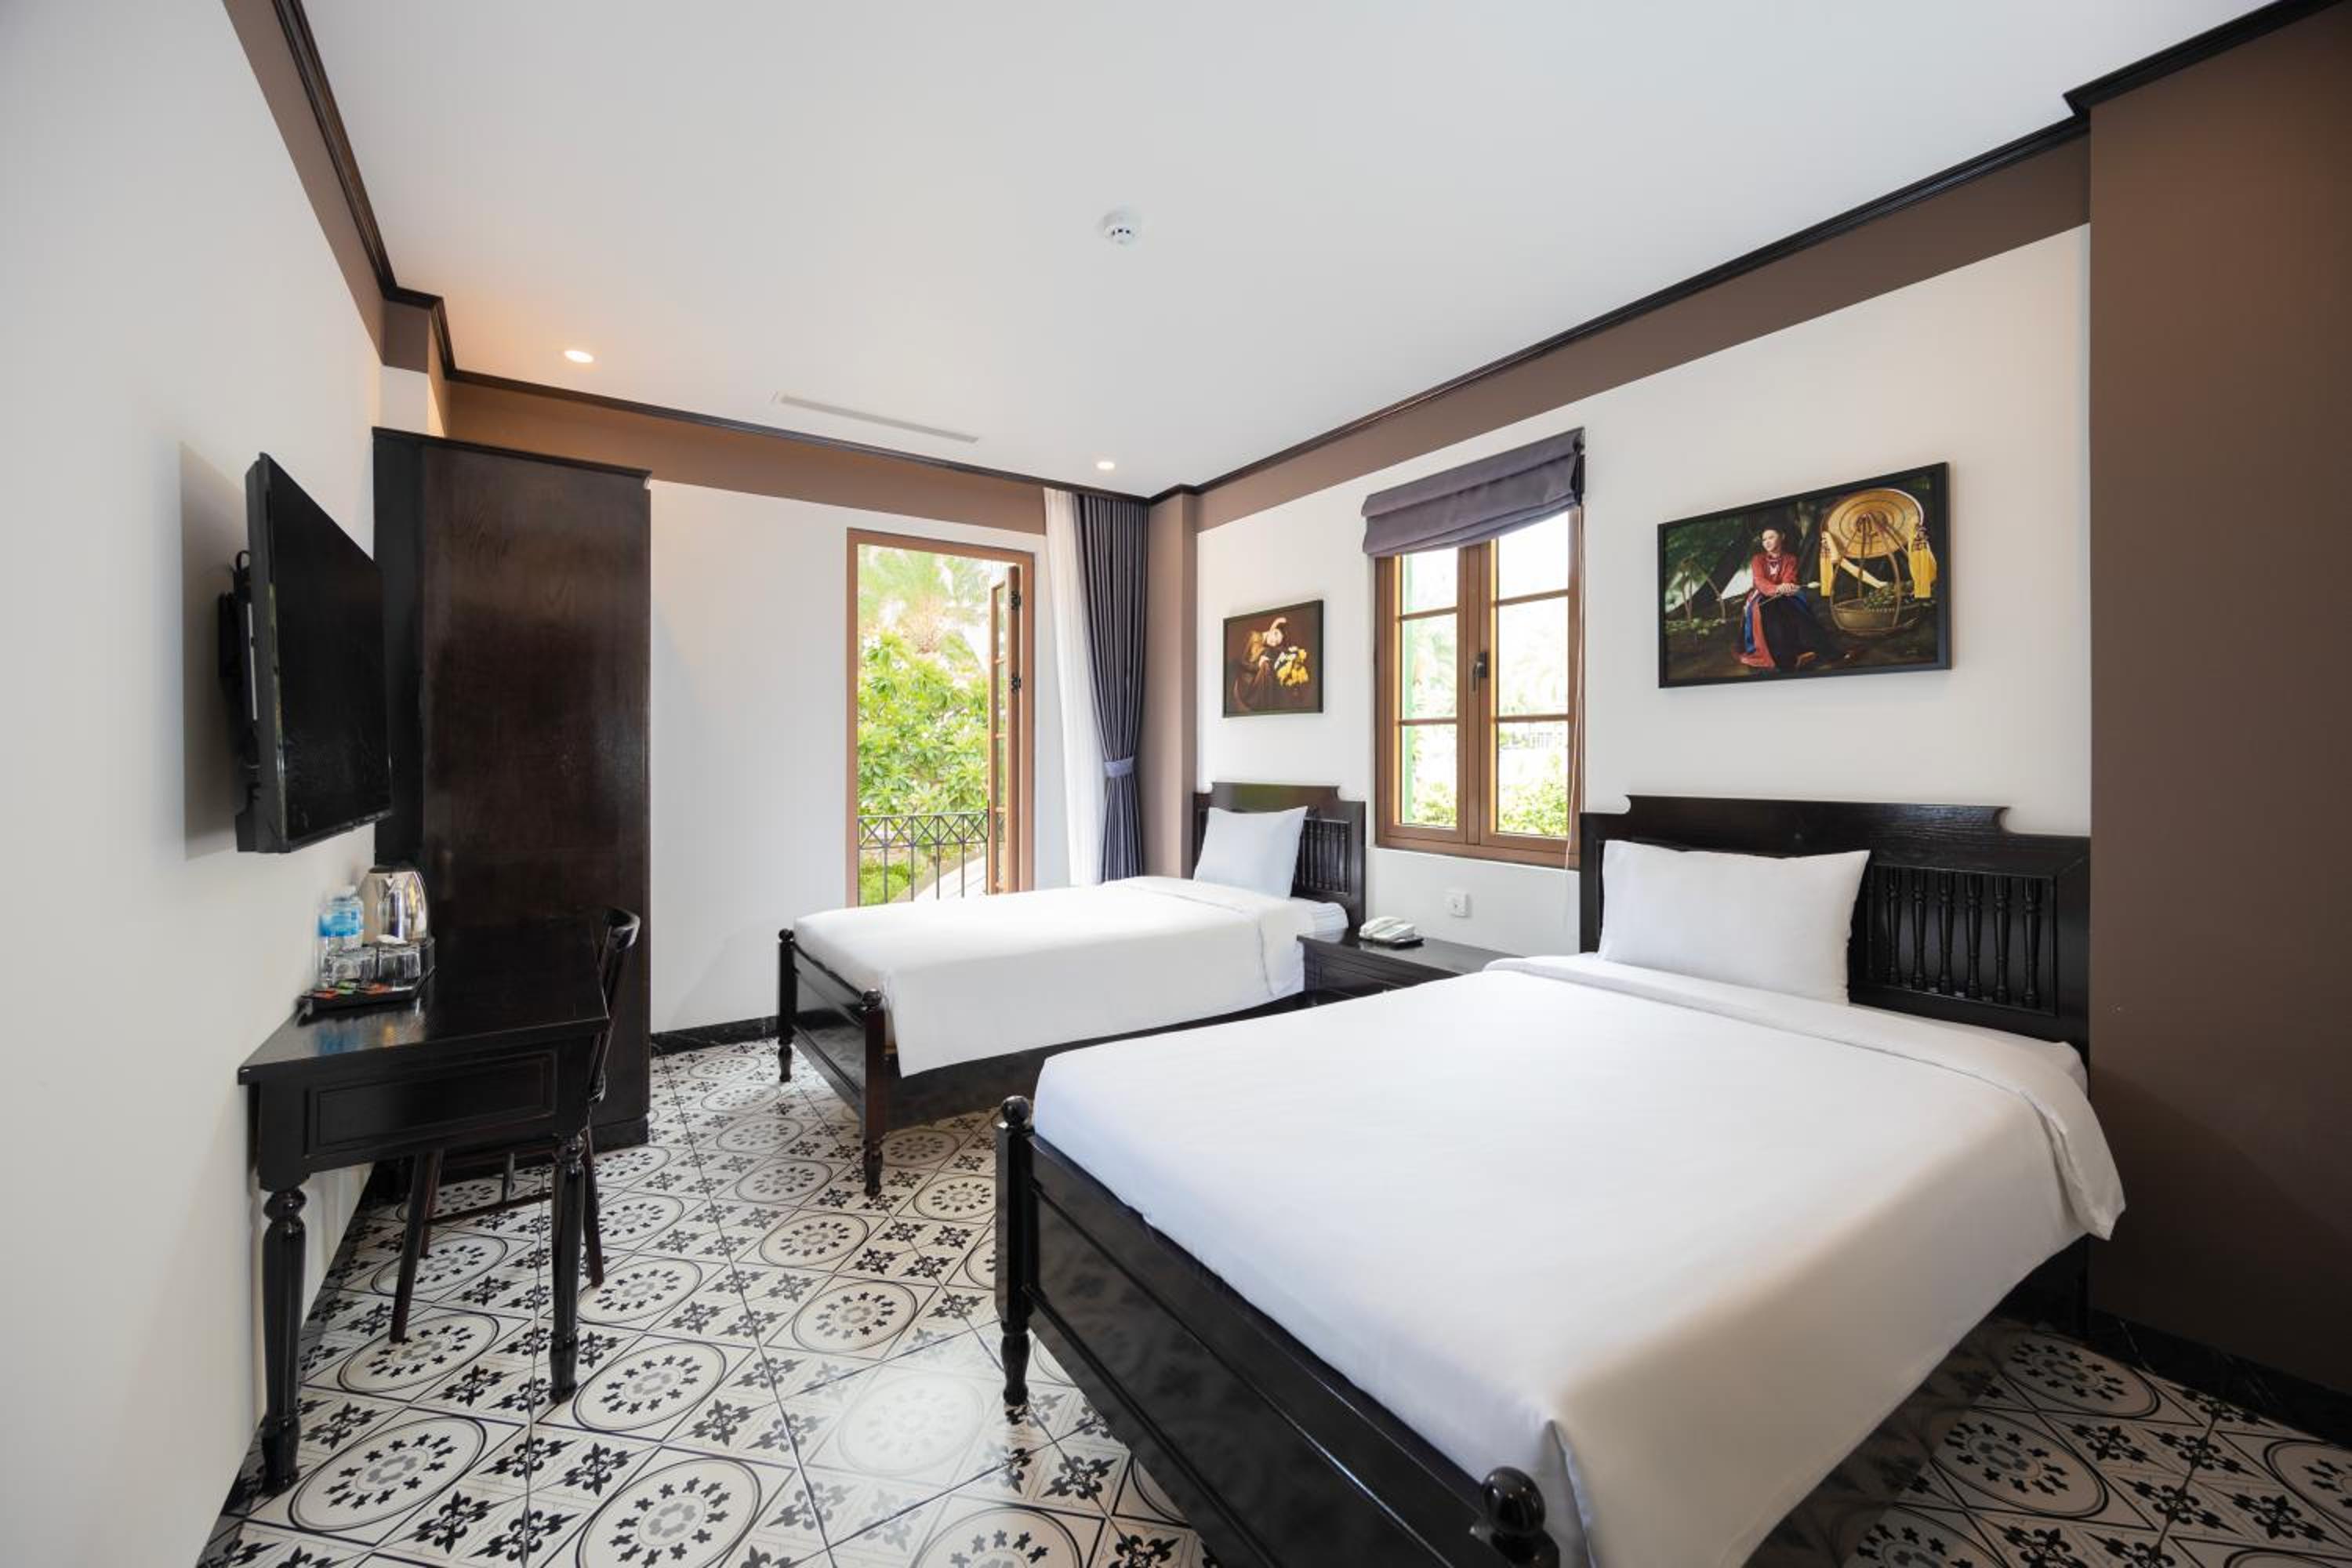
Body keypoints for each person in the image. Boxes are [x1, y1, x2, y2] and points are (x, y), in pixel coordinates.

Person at [1737, 526, 1842, 671]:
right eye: (1764, 539)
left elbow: (1789, 578)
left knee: (1794, 610)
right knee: (1769, 612)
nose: (1767, 542)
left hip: (1784, 594)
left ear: (1782, 537)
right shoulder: (1758, 559)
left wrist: (1787, 586)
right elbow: (1760, 581)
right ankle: (1784, 660)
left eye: (1771, 537)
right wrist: (1777, 588)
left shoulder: (1790, 559)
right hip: (1762, 595)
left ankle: (1825, 651)